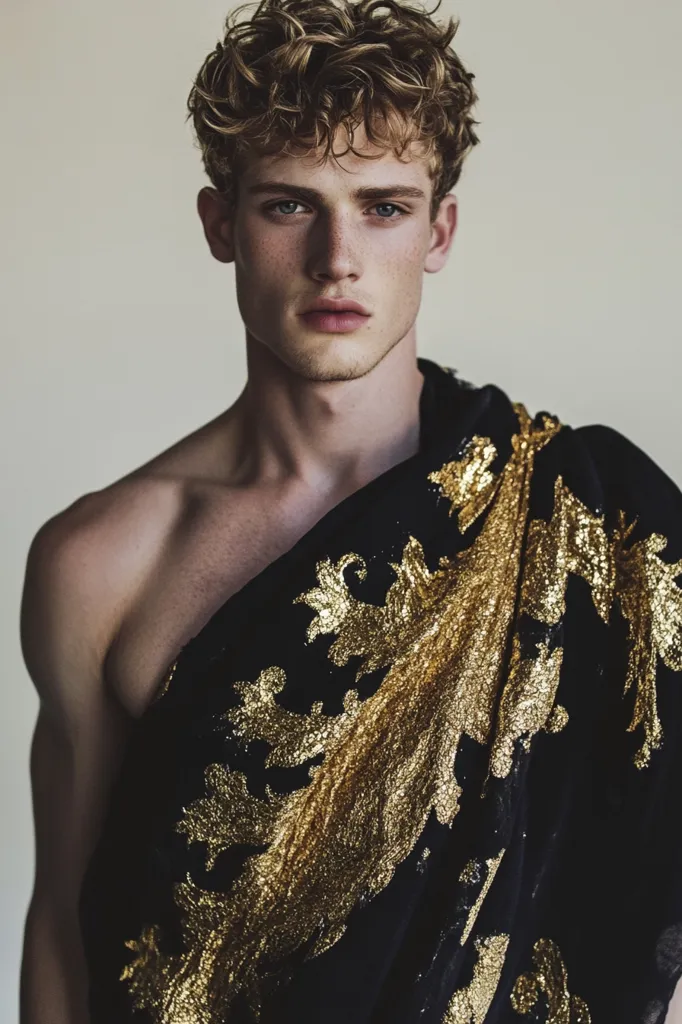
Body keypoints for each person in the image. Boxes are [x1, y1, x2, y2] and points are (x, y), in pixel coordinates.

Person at [18, 0, 682, 1020]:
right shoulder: (103, 563)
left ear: (437, 230)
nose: (338, 256)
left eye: (381, 206)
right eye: (290, 205)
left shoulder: (587, 525)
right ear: (219, 223)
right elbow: (65, 930)